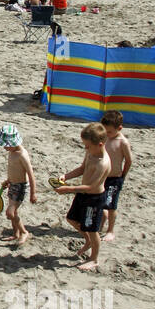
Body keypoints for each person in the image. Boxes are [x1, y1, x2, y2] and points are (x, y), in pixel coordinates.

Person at [54, 122, 111, 270]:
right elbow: (81, 168)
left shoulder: (103, 163)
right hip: (82, 195)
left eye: (88, 146)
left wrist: (68, 189)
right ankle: (87, 240)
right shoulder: (90, 153)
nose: (85, 148)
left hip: (94, 199)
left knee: (93, 230)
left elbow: (92, 186)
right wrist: (66, 176)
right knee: (71, 219)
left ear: (99, 144)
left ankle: (94, 259)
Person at [0, 124, 37, 246]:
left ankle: (24, 232)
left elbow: (30, 174)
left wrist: (33, 193)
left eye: (6, 145)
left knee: (10, 213)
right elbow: (13, 169)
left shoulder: (22, 155)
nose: (4, 148)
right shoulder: (12, 152)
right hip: (12, 185)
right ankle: (15, 233)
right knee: (13, 213)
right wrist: (7, 180)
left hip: (20, 187)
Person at [100, 110, 132, 243]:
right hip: (102, 176)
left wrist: (122, 175)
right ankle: (101, 223)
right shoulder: (105, 137)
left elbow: (129, 160)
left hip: (115, 178)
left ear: (119, 128)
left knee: (111, 205)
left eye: (109, 132)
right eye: (105, 131)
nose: (107, 134)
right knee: (100, 202)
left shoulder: (122, 142)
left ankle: (110, 230)